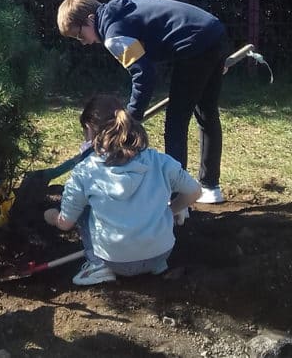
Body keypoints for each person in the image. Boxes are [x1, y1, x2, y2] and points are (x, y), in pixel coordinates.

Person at [57, 0, 229, 204]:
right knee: (206, 112)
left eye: (80, 36)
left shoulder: (114, 36)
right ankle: (210, 187)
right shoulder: (122, 11)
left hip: (195, 45)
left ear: (90, 19)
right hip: (213, 32)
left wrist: (130, 118)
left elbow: (144, 75)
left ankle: (177, 197)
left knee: (176, 120)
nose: (84, 43)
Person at [44, 94, 202, 285]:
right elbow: (194, 192)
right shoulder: (160, 161)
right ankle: (155, 266)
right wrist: (169, 211)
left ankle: (97, 266)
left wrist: (51, 216)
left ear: (90, 130)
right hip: (161, 254)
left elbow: (66, 223)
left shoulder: (86, 171)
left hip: (116, 260)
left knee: (84, 208)